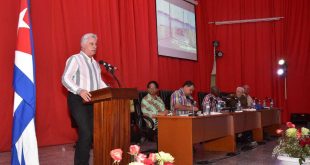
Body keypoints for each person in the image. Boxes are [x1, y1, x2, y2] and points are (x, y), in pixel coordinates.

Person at [62, 33, 108, 165]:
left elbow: (99, 83)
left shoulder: (96, 64)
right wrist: (79, 90)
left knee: (94, 134)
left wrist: (111, 90)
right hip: (77, 100)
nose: (95, 47)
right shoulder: (75, 59)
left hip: (93, 101)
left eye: (96, 44)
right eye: (91, 44)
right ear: (83, 45)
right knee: (86, 133)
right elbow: (65, 78)